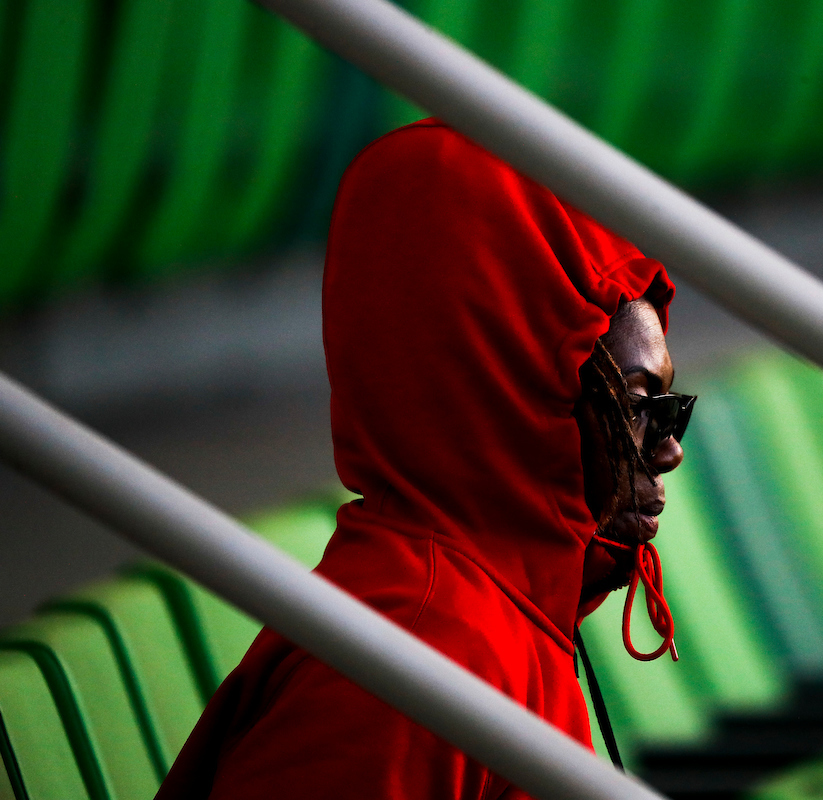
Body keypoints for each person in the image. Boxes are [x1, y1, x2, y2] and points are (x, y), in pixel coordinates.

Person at [154, 119, 693, 799]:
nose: (668, 448)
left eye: (670, 406)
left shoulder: (494, 619)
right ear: (510, 388)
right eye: (640, 403)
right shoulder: (417, 660)